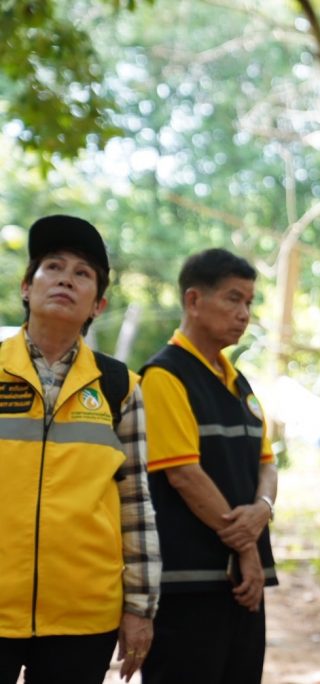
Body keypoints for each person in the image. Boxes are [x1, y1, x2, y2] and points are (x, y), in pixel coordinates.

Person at [0, 215, 160, 683]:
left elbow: (136, 502)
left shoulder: (119, 386)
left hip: (84, 616)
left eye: (82, 273)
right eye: (53, 266)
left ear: (98, 305)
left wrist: (140, 607)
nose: (66, 279)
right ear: (27, 287)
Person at [140, 248, 277, 684]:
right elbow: (183, 474)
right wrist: (247, 547)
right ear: (194, 300)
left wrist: (264, 508)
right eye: (233, 299)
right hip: (189, 581)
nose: (244, 314)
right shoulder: (164, 376)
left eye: (249, 302)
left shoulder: (238, 382)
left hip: (243, 583)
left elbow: (267, 463)